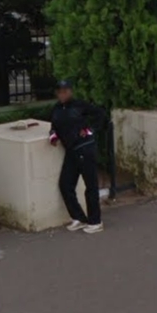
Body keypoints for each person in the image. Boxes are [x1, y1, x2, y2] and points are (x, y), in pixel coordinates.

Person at [49, 79, 108, 234]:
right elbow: (54, 125)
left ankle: (95, 221)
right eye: (60, 92)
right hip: (71, 151)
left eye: (65, 91)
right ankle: (79, 217)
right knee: (65, 184)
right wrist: (53, 135)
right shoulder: (56, 109)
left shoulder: (79, 105)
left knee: (90, 186)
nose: (62, 94)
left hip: (85, 148)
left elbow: (100, 114)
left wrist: (90, 129)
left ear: (70, 91)